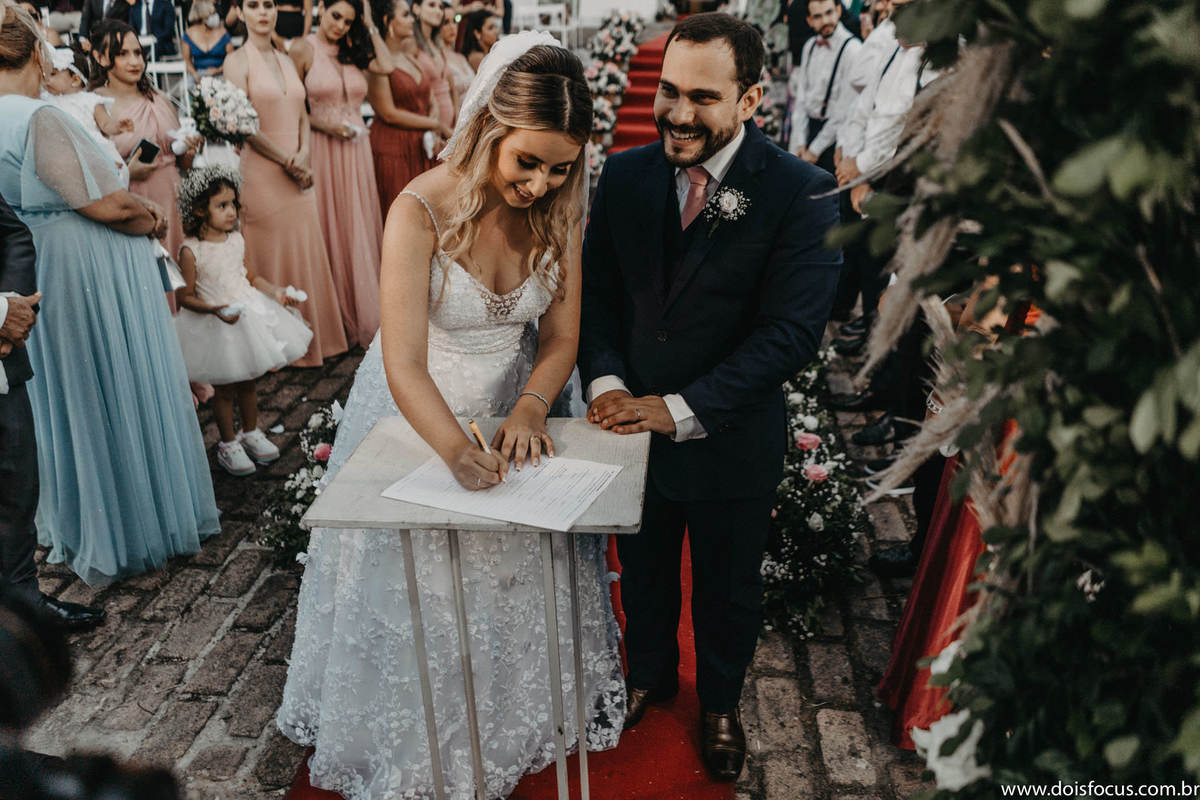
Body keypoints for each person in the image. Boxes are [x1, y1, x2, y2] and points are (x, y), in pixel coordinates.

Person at [278, 33, 624, 799]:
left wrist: (533, 405)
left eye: (560, 167)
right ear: (490, 130)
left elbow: (561, 337)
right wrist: (453, 451)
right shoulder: (420, 210)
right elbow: (402, 360)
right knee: (424, 585)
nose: (540, 183)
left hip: (512, 406)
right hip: (416, 410)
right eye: (526, 162)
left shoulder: (561, 210)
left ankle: (511, 711)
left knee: (509, 580)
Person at [578, 13, 841, 782]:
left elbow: (790, 335)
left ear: (751, 98)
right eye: (667, 92)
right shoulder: (625, 175)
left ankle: (720, 703)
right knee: (645, 570)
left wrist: (679, 407)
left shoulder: (801, 192)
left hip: (730, 435)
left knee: (728, 588)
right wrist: (609, 383)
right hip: (628, 433)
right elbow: (598, 299)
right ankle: (650, 675)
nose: (678, 113)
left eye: (702, 97)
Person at [0, 7, 221, 587]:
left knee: (68, 395)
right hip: (85, 263)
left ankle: (75, 518)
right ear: (35, 54)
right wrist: (147, 216)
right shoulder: (38, 114)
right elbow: (98, 200)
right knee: (108, 385)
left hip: (35, 254)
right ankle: (122, 524)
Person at [1, 45, 105, 626]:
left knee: (18, 481)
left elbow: (10, 232)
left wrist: (12, 311)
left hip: (3, 351)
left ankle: (24, 605)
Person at [224, 0, 349, 367]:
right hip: (263, 172)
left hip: (298, 169)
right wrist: (285, 160)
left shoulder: (287, 57)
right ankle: (276, 348)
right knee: (270, 249)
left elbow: (303, 114)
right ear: (241, 12)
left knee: (305, 246)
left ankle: (315, 338)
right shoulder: (236, 62)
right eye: (253, 5)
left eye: (268, 5)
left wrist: (305, 154)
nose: (262, 12)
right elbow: (241, 125)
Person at [173, 167, 312, 475]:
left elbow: (249, 276)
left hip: (245, 317)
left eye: (233, 204)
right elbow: (184, 297)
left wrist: (276, 292)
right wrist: (215, 309)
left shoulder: (236, 239)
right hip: (215, 324)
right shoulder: (190, 250)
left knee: (248, 381)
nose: (231, 211)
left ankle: (250, 432)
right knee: (223, 388)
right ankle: (227, 444)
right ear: (199, 209)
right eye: (221, 205)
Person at [290, 0, 392, 348]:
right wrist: (327, 127)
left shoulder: (352, 48)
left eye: (348, 21)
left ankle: (363, 307)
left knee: (357, 225)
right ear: (322, 9)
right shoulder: (304, 48)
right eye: (336, 16)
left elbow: (387, 65)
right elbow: (295, 109)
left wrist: (368, 23)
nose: (340, 26)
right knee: (330, 224)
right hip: (324, 146)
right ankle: (334, 317)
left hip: (356, 151)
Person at [94, 20, 200, 262]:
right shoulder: (94, 105)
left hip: (172, 202)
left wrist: (189, 152)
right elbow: (91, 175)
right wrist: (128, 174)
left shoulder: (160, 99)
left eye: (138, 53)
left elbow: (183, 165)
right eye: (122, 54)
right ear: (101, 58)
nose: (134, 61)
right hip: (132, 207)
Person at [366, 0, 445, 211]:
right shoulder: (377, 63)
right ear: (387, 21)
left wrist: (433, 125)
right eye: (405, 15)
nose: (412, 19)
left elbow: (430, 97)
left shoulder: (410, 58)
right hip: (393, 149)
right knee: (400, 211)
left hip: (421, 146)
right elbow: (388, 113)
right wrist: (434, 124)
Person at [41, 45, 131, 184]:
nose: (46, 80)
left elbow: (105, 124)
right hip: (67, 153)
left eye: (53, 74)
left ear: (75, 80)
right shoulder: (46, 100)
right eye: (45, 75)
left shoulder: (89, 101)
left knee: (107, 182)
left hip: (92, 147)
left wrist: (117, 126)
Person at [787, 0, 860, 168]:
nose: (826, 21)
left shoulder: (853, 50)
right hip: (807, 132)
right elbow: (801, 99)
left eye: (829, 13)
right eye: (818, 16)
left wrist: (814, 150)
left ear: (839, 10)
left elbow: (844, 109)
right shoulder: (810, 46)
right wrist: (799, 143)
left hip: (833, 138)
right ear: (809, 20)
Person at [412, 0, 452, 129]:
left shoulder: (438, 45)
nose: (438, 11)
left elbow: (451, 88)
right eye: (431, 5)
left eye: (440, 7)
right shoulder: (412, 45)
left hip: (451, 128)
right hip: (428, 125)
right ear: (416, 8)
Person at [103, 0, 177, 58]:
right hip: (140, 42)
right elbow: (131, 29)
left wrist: (153, 39)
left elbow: (168, 30)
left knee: (151, 49)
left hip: (160, 43)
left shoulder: (165, 5)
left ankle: (150, 75)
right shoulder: (135, 6)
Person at [181, 0, 234, 81]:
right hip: (198, 74)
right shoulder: (189, 34)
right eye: (212, 14)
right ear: (202, 17)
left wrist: (218, 70)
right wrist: (195, 74)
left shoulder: (223, 33)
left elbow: (232, 58)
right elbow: (187, 61)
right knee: (185, 87)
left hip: (221, 73)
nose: (215, 16)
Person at [440, 0, 471, 113]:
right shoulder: (438, 58)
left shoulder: (461, 57)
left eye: (455, 21)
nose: (452, 27)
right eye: (446, 22)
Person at [460, 6, 496, 71]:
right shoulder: (478, 58)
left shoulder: (487, 54)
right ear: (477, 33)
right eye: (490, 28)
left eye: (495, 27)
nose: (495, 31)